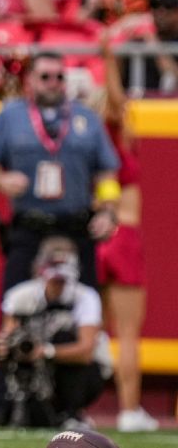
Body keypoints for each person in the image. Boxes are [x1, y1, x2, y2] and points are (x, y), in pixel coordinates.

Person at [0, 51, 120, 296]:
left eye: (59, 77)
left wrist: (108, 211)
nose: (53, 83)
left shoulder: (86, 118)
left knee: (86, 308)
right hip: (29, 227)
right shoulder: (10, 117)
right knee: (13, 304)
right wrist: (1, 180)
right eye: (45, 76)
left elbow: (107, 173)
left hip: (77, 227)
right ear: (30, 80)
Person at [94, 40, 158, 432]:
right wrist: (109, 58)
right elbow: (118, 102)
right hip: (123, 236)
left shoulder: (89, 134)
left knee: (94, 328)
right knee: (129, 333)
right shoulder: (114, 134)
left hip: (98, 236)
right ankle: (130, 410)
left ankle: (79, 406)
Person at [0, 238, 111, 428]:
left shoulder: (84, 297)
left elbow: (86, 351)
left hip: (79, 373)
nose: (58, 282)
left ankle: (72, 412)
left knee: (65, 336)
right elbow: (8, 337)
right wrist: (5, 346)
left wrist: (46, 351)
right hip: (37, 371)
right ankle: (5, 408)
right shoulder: (21, 296)